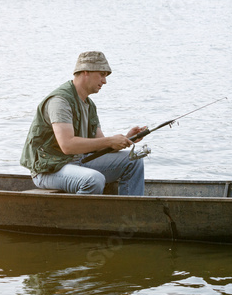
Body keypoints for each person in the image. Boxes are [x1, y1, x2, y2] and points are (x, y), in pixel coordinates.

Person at [21, 51, 147, 195]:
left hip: (78, 162)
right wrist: (110, 141)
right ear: (86, 71)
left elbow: (100, 145)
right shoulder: (60, 101)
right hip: (49, 170)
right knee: (94, 180)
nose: (105, 81)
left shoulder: (89, 104)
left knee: (134, 160)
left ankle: (130, 215)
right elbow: (67, 145)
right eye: (102, 74)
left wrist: (126, 139)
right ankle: (78, 217)